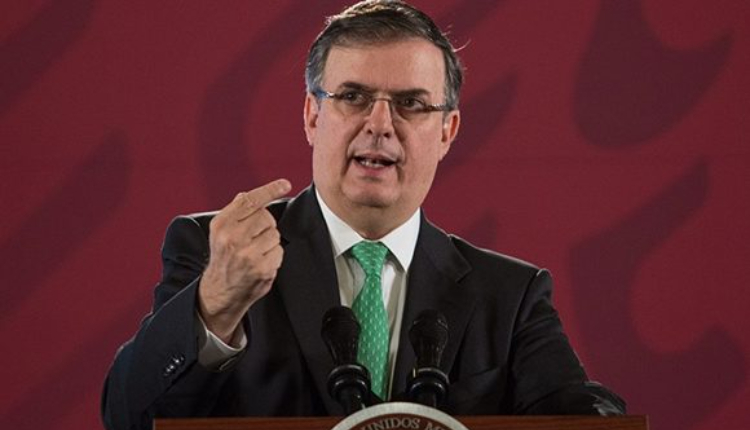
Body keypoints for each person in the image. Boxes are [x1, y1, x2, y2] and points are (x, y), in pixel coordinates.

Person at [102, 1, 625, 429]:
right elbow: (129, 418)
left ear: (448, 131)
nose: (379, 124)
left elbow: (579, 414)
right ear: (312, 116)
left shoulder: (508, 295)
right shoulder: (214, 251)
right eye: (353, 96)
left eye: (411, 104)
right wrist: (214, 305)